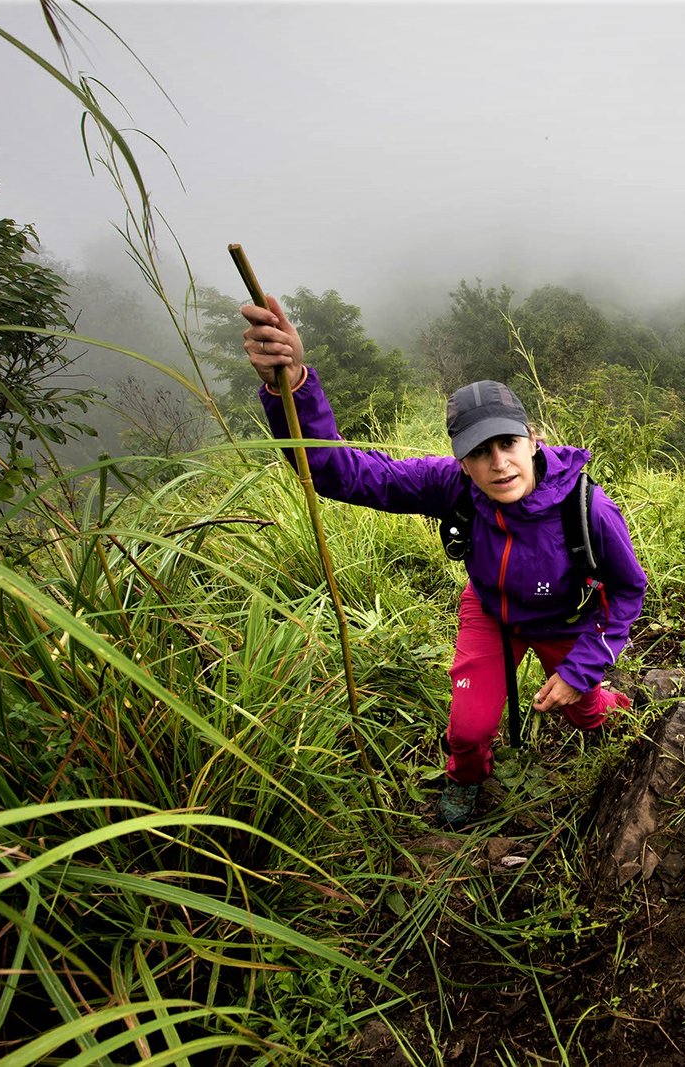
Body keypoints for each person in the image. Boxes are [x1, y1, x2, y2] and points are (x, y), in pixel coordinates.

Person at [242, 298, 646, 828]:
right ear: (461, 460)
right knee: (469, 729)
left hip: (564, 621)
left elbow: (627, 593)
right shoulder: (450, 485)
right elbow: (341, 473)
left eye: (508, 443)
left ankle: (612, 707)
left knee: (583, 712)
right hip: (490, 612)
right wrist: (290, 386)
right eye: (481, 452)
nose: (498, 464)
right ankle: (466, 778)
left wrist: (579, 670)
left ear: (533, 439)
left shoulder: (586, 507)